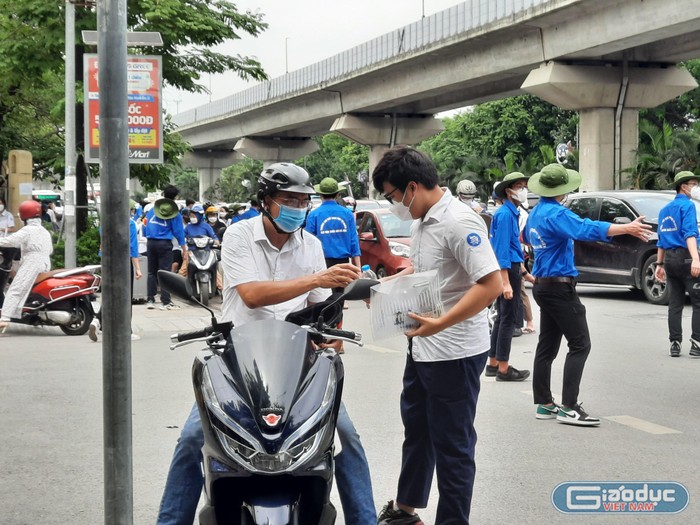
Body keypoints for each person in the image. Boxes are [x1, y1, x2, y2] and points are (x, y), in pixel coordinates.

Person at [156, 162, 376, 525]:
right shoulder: (239, 235)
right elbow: (252, 295)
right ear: (265, 202)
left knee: (345, 435)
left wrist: (331, 330)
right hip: (234, 359)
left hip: (295, 362)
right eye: (288, 199)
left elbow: (317, 305)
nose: (297, 207)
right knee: (192, 438)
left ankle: (365, 521)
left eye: (303, 201)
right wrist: (317, 278)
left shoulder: (312, 245)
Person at [372, 147, 502, 525]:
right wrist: (387, 287)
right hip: (423, 347)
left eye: (394, 196)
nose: (395, 204)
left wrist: (440, 324)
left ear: (412, 186)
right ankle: (406, 509)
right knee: (418, 430)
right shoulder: (421, 222)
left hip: (455, 352)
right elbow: (426, 270)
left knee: (453, 447)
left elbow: (491, 284)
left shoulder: (460, 221)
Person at [523, 163, 651, 426]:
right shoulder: (557, 214)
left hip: (543, 285)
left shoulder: (536, 213)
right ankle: (569, 407)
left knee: (547, 346)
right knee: (580, 343)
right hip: (559, 287)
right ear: (564, 188)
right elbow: (586, 228)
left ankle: (545, 404)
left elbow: (525, 237)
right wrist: (626, 229)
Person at [486, 172, 532, 381]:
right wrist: (506, 283)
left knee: (501, 318)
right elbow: (502, 251)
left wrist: (524, 273)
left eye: (524, 186)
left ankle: (493, 363)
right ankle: (504, 368)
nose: (524, 190)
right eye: (520, 186)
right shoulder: (505, 215)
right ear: (509, 191)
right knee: (508, 320)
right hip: (506, 270)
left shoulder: (508, 213)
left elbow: (512, 248)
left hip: (512, 268)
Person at [654, 171, 700, 358]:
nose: (696, 187)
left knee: (675, 304)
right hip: (687, 258)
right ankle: (696, 343)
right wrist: (695, 258)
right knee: (698, 303)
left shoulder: (665, 210)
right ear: (683, 186)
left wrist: (659, 264)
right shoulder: (687, 206)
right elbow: (690, 234)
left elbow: (661, 240)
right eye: (693, 183)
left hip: (670, 261)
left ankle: (675, 343)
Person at [88, 201, 143, 342]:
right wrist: (137, 268)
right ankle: (127, 331)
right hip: (123, 263)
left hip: (107, 263)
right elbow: (133, 248)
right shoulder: (130, 223)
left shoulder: (106, 222)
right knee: (126, 297)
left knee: (110, 294)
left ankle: (97, 320)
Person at [0, 200, 53, 333]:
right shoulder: (44, 231)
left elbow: (11, 240)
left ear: (24, 216)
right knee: (29, 288)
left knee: (16, 288)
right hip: (45, 262)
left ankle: (4, 318)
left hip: (32, 262)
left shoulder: (28, 230)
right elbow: (50, 249)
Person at [143, 185, 187, 310]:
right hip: (164, 244)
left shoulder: (153, 209)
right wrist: (184, 249)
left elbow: (146, 227)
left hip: (150, 243)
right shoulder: (174, 213)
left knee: (151, 272)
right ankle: (165, 301)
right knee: (164, 272)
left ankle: (150, 300)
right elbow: (179, 232)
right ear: (176, 197)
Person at [0, 196, 18, 308]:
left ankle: (15, 281)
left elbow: (13, 228)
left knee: (7, 265)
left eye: (1, 203)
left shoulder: (8, 215)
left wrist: (2, 229)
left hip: (6, 243)